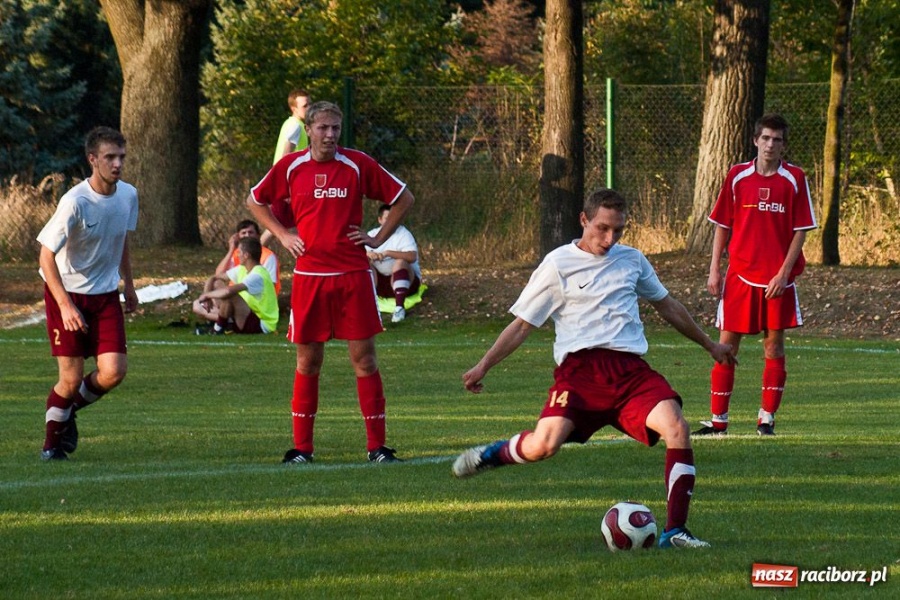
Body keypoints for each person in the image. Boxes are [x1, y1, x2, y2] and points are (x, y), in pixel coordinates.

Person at [452, 188, 736, 549]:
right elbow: (522, 325)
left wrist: (710, 345)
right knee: (543, 446)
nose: (610, 238)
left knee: (677, 426)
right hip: (580, 374)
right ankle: (493, 454)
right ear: (584, 220)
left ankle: (675, 531)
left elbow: (668, 306)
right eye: (602, 228)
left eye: (618, 230)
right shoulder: (558, 264)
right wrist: (483, 365)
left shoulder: (632, 260)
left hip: (631, 373)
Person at [247, 100, 415, 464]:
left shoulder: (357, 164)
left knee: (364, 360)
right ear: (308, 130)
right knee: (308, 362)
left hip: (353, 276)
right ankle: (302, 449)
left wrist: (377, 238)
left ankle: (377, 447)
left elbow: (404, 198)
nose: (330, 135)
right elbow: (254, 201)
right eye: (323, 128)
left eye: (335, 128)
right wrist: (282, 234)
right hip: (310, 278)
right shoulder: (291, 167)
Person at [694, 113, 817, 437]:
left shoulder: (794, 178)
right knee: (726, 347)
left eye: (777, 140)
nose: (770, 145)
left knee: (773, 348)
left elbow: (801, 230)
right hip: (740, 276)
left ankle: (766, 419)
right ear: (755, 141)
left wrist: (783, 274)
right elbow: (723, 224)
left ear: (783, 145)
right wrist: (714, 269)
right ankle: (718, 421)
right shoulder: (737, 176)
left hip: (777, 280)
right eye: (765, 138)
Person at [35, 126, 139, 461]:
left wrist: (129, 285)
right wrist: (65, 306)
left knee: (114, 372)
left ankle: (65, 414)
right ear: (92, 159)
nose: (117, 164)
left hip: (105, 295)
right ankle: (51, 447)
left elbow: (122, 240)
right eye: (110, 157)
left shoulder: (128, 195)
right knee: (70, 379)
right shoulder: (74, 201)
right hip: (67, 294)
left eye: (121, 157)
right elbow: (45, 256)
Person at [193, 237, 279, 335]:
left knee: (230, 294)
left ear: (246, 255)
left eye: (239, 252)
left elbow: (228, 292)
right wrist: (206, 294)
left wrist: (207, 295)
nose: (237, 255)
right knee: (198, 304)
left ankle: (218, 328)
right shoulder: (242, 269)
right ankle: (225, 324)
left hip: (261, 323)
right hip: (246, 314)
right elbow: (214, 278)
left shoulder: (258, 275)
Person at [366, 203, 422, 323]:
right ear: (380, 220)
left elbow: (412, 256)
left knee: (400, 262)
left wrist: (388, 253)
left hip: (407, 283)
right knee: (365, 263)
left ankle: (399, 308)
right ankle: (366, 305)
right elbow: (356, 255)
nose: (391, 221)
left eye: (393, 218)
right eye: (387, 218)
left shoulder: (403, 234)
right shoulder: (371, 235)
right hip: (380, 284)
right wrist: (368, 254)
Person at [215, 219, 282, 296]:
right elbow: (219, 275)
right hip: (236, 295)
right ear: (238, 236)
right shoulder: (236, 253)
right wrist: (231, 250)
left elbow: (270, 285)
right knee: (216, 284)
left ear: (258, 235)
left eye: (251, 232)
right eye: (243, 233)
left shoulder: (268, 256)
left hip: (257, 297)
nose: (247, 235)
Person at [272, 88, 311, 164]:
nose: (309, 108)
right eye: (305, 106)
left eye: (310, 104)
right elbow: (285, 157)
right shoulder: (295, 126)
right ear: (294, 109)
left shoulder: (290, 123)